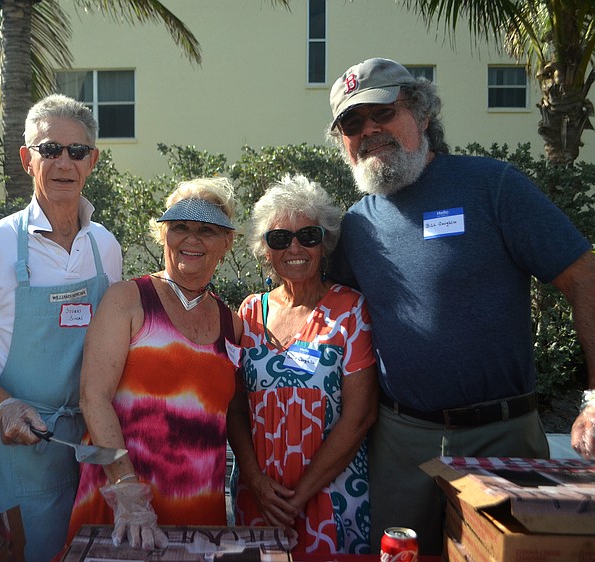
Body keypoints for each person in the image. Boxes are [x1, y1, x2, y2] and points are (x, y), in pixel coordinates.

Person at [325, 57, 595, 555]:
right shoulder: (356, 226)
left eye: (383, 113)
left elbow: (584, 279)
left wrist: (594, 400)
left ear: (423, 113)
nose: (369, 130)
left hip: (504, 437)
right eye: (353, 123)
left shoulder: (493, 186)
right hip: (399, 444)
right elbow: (329, 319)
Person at [0, 93, 123, 562]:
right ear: (27, 159)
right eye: (50, 149)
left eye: (77, 151)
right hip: (19, 450)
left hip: (89, 444)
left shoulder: (106, 247)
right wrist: (2, 405)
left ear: (92, 161)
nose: (64, 162)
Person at [66, 177, 243, 551]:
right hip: (119, 507)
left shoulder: (233, 324)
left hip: (199, 510)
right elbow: (92, 398)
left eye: (207, 230)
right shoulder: (127, 300)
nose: (191, 239)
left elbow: (233, 416)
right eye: (180, 226)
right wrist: (127, 492)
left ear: (226, 242)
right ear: (164, 233)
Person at [227, 174, 378, 556]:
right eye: (280, 238)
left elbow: (360, 416)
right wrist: (257, 483)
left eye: (308, 236)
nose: (294, 247)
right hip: (258, 498)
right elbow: (235, 408)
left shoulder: (350, 310)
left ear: (325, 243)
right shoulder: (249, 312)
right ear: (266, 250)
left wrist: (297, 498)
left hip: (331, 498)